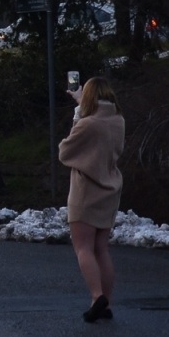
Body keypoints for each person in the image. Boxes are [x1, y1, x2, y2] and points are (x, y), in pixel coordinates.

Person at [58, 76, 125, 323]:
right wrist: (80, 104)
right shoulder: (118, 120)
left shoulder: (88, 124)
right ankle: (105, 299)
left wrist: (78, 112)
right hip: (110, 188)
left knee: (83, 247)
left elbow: (66, 150)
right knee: (101, 248)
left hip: (86, 190)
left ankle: (97, 297)